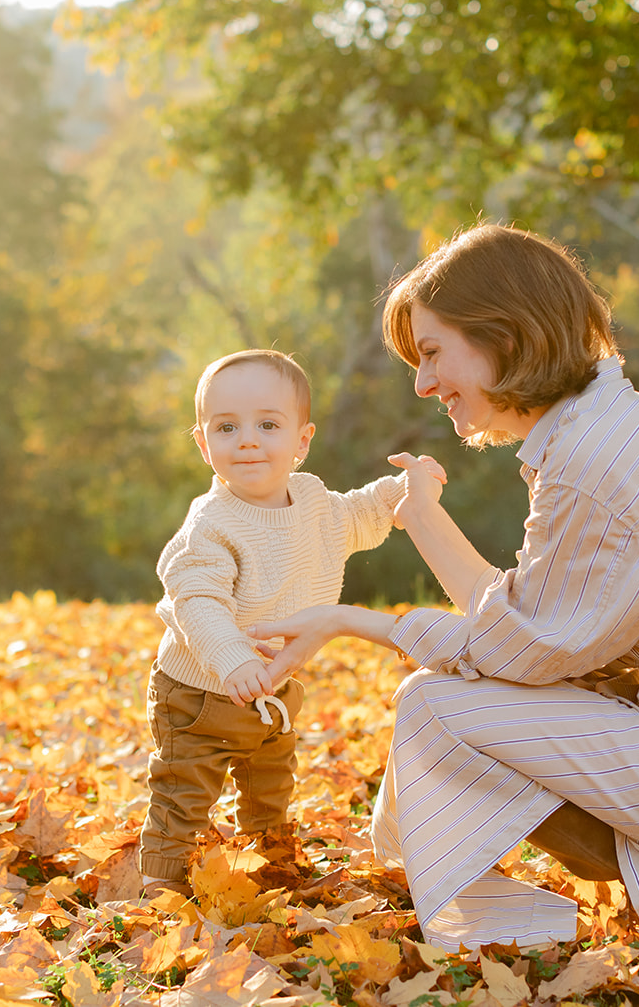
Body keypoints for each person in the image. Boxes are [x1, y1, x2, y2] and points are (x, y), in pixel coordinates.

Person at [249, 225, 639, 948]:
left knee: (434, 706)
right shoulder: (617, 425)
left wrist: (350, 619)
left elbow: (516, 648)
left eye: (432, 352)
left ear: (505, 334)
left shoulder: (595, 460)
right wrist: (422, 519)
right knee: (482, 694)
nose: (423, 383)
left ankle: (501, 924)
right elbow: (531, 628)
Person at [139, 348, 445, 897]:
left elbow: (356, 515)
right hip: (199, 693)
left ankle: (271, 865)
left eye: (267, 425)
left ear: (301, 441)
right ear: (205, 444)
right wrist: (231, 658)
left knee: (270, 783)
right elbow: (196, 601)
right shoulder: (211, 524)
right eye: (227, 427)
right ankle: (156, 891)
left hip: (274, 689)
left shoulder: (312, 501)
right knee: (184, 794)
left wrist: (403, 491)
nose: (248, 440)